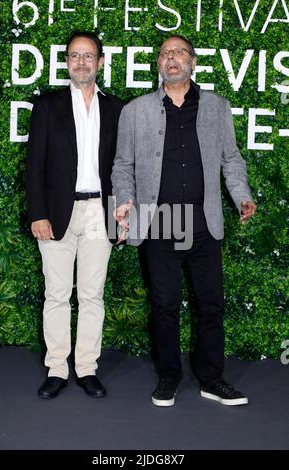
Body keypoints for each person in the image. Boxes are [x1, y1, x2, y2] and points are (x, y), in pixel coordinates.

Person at [111, 35, 256, 407]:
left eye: (179, 52)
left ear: (193, 61)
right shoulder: (135, 111)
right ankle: (169, 376)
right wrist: (126, 201)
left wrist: (242, 195)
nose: (171, 58)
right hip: (158, 223)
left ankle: (212, 378)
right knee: (165, 306)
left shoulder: (217, 107)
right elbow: (123, 166)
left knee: (211, 304)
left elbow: (231, 159)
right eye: (164, 53)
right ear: (158, 64)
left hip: (204, 222)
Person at [26, 31, 123, 399]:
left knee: (92, 295)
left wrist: (122, 214)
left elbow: (123, 166)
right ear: (67, 62)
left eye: (88, 56)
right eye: (74, 56)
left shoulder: (116, 108)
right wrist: (38, 213)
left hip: (100, 210)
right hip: (55, 214)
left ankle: (86, 368)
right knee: (56, 294)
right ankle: (56, 368)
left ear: (100, 62)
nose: (81, 62)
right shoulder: (48, 106)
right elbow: (34, 165)